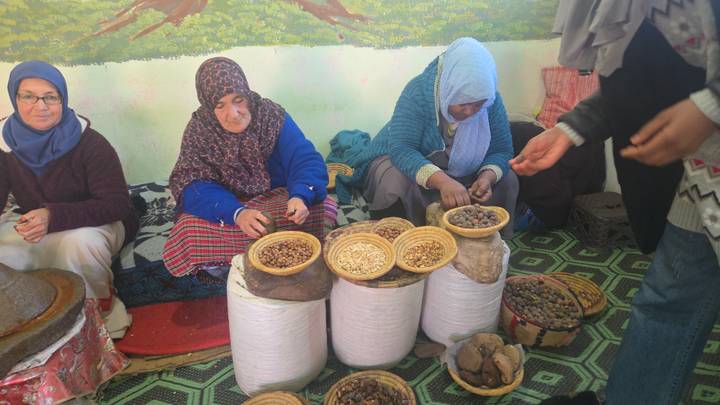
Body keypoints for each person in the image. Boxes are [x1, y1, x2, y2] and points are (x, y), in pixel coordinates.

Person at [510, 1, 720, 404]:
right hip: (704, 176)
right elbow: (640, 84)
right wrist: (569, 130)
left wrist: (709, 107)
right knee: (662, 306)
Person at [162, 57, 336, 280]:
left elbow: (303, 158)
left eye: (238, 99)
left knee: (322, 207)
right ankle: (233, 263)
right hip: (227, 207)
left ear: (247, 94)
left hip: (276, 198)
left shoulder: (271, 116)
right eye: (220, 105)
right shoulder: (199, 130)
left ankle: (246, 258)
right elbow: (192, 183)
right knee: (188, 230)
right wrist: (237, 214)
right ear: (208, 106)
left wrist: (301, 195)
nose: (233, 113)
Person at [341, 37, 518, 237]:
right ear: (448, 89)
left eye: (477, 105)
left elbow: (502, 150)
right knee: (394, 181)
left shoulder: (491, 101)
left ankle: (483, 239)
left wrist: (487, 177)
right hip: (417, 164)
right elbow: (401, 148)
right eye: (462, 103)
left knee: (507, 179)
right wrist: (442, 182)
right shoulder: (419, 92)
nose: (469, 112)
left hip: (464, 170)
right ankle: (409, 239)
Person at [0, 61, 138, 315]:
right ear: (15, 98)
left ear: (62, 99)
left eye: (50, 97)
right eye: (29, 96)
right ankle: (32, 319)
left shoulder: (90, 143)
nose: (40, 106)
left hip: (97, 224)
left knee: (79, 244)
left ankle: (95, 318)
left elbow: (117, 204)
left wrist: (53, 216)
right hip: (40, 227)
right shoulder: (5, 143)